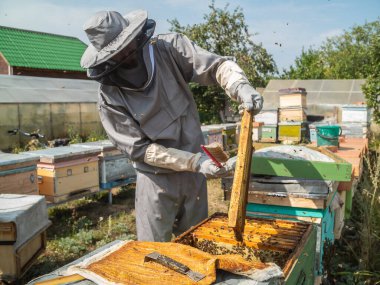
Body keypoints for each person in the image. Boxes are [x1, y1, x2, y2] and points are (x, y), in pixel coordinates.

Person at [80, 10, 263, 242]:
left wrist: (240, 85)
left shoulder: (169, 48)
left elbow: (215, 66)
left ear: (135, 35)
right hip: (156, 178)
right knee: (154, 251)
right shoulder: (109, 98)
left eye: (126, 45)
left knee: (196, 243)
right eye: (117, 53)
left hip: (195, 174)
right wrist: (195, 162)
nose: (126, 54)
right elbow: (141, 150)